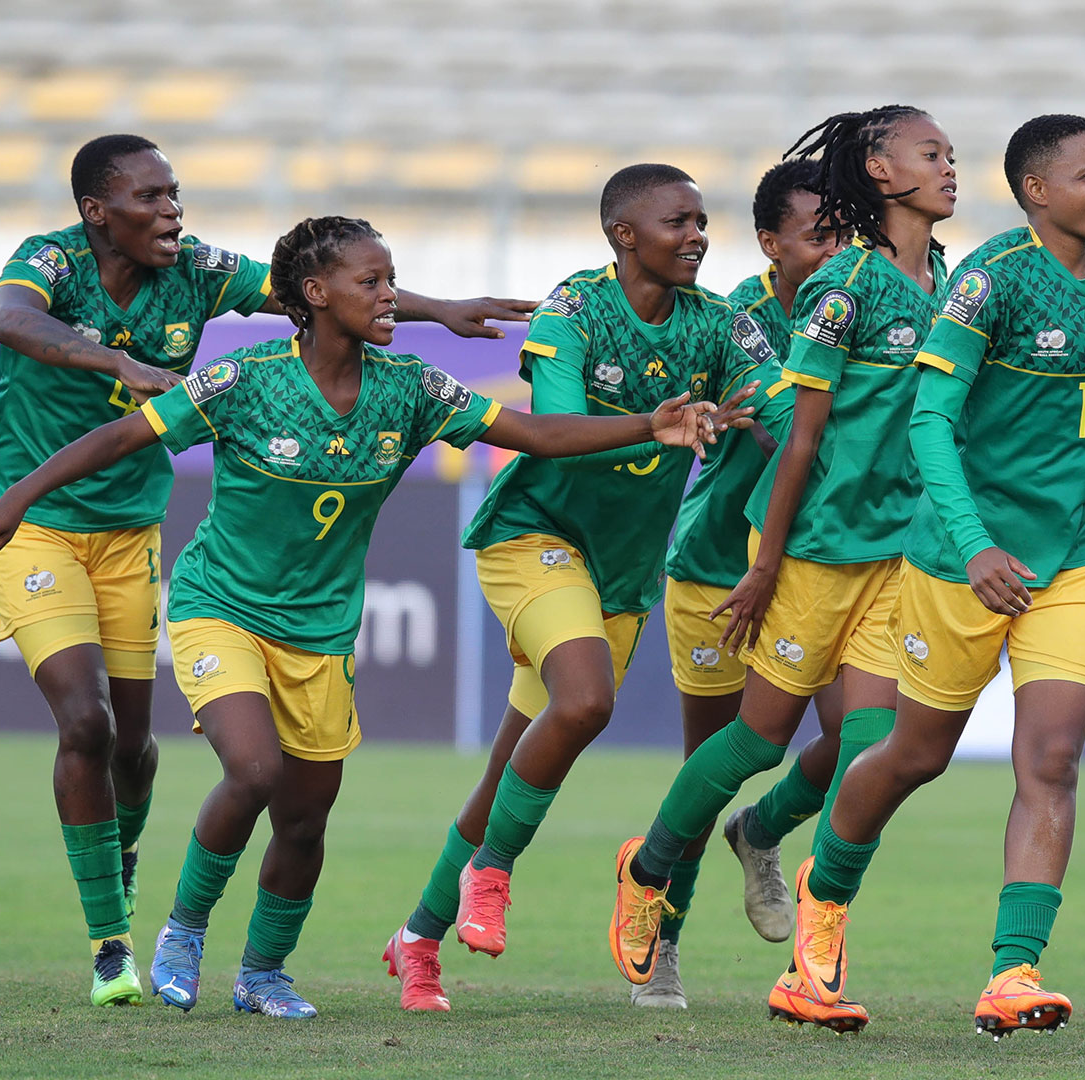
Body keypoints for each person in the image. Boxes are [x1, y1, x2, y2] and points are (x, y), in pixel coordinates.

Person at [0, 216, 718, 1018]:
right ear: (314, 295)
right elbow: (120, 436)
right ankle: (183, 931)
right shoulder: (241, 379)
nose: (391, 297)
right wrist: (13, 501)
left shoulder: (412, 388)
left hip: (320, 633)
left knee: (306, 820)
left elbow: (534, 433)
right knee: (253, 771)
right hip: (222, 609)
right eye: (372, 283)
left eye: (392, 280)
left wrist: (648, 423)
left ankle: (264, 973)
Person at [0, 134, 538, 1006]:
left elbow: (317, 290)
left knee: (137, 750)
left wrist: (436, 308)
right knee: (86, 722)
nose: (171, 212)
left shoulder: (198, 270)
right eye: (149, 198)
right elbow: (11, 318)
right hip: (29, 514)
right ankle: (115, 941)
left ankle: (165, 888)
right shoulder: (49, 262)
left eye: (175, 194)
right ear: (95, 212)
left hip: (129, 523)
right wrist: (110, 358)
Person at [780, 114, 1085, 1038]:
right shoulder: (988, 282)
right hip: (961, 559)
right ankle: (821, 909)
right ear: (1036, 190)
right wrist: (976, 543)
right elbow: (929, 423)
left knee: (1053, 759)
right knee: (916, 755)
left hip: (1077, 557)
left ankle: (1013, 972)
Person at [607, 104, 957, 1034]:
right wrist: (764, 567)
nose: (951, 167)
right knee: (757, 741)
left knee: (873, 751)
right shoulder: (842, 288)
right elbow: (798, 442)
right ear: (881, 171)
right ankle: (648, 872)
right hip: (809, 549)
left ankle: (814, 955)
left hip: (895, 554)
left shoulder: (946, 277)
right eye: (934, 154)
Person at [385, 164, 762, 1013]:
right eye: (679, 222)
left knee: (504, 777)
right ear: (625, 235)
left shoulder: (719, 326)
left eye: (704, 221)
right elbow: (550, 432)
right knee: (586, 700)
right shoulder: (573, 311)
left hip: (621, 574)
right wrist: (654, 421)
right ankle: (494, 868)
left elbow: (779, 400)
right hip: (535, 538)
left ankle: (416, 940)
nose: (698, 235)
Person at [640, 158, 847, 1008]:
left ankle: (762, 838)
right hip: (724, 573)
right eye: (818, 237)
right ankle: (663, 942)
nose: (838, 253)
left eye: (847, 235)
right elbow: (778, 428)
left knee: (861, 747)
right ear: (771, 243)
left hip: (829, 567)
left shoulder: (874, 306)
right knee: (711, 766)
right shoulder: (733, 324)